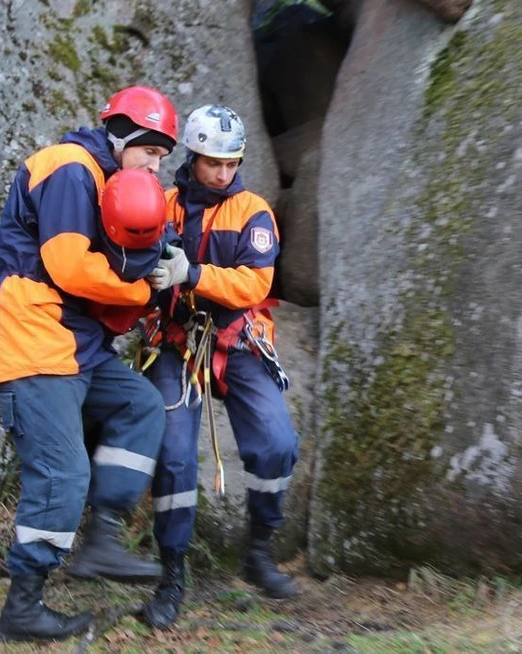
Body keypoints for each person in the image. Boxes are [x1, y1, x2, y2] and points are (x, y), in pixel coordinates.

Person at [0, 86, 178, 643]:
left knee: (141, 405)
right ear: (123, 136)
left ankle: (103, 534)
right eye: (151, 151)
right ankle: (23, 606)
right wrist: (141, 294)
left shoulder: (112, 184)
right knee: (62, 474)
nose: (157, 164)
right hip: (33, 335)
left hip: (73, 342)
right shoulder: (69, 166)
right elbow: (69, 267)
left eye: (163, 155)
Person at [140, 104, 300, 629]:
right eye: (213, 163)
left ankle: (258, 549)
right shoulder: (162, 207)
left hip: (237, 340)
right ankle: (172, 575)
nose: (224, 173)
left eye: (232, 164)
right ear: (193, 155)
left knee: (277, 444)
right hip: (175, 343)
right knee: (175, 455)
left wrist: (195, 274)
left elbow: (255, 284)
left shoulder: (252, 211)